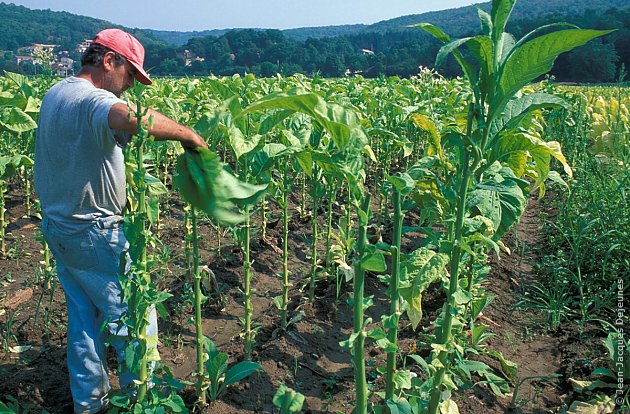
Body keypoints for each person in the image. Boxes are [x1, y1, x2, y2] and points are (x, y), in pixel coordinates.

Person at [34, 28, 207, 414]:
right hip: (94, 233)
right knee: (134, 324)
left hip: (60, 228)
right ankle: (142, 402)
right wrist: (188, 135)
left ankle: (89, 403)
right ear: (109, 60)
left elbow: (95, 136)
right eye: (129, 74)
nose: (129, 85)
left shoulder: (57, 92)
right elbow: (130, 117)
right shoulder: (94, 99)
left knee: (84, 321)